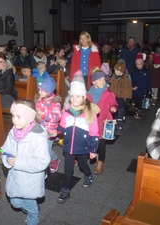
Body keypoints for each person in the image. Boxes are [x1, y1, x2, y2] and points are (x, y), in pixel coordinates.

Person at [0, 100, 50, 225]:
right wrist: (7, 158)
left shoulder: (37, 137)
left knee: (28, 203)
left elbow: (42, 162)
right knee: (15, 202)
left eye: (18, 117)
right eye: (13, 116)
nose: (14, 120)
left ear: (29, 118)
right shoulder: (14, 131)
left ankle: (33, 218)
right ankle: (32, 209)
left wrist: (18, 162)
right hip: (16, 177)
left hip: (30, 181)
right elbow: (5, 148)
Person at [56, 72, 99, 204]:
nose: (74, 98)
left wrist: (93, 149)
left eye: (78, 96)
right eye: (72, 95)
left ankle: (88, 175)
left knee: (82, 164)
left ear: (84, 97)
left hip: (83, 146)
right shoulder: (67, 111)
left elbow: (94, 132)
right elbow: (63, 126)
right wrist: (55, 132)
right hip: (69, 146)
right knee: (68, 169)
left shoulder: (89, 112)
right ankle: (65, 190)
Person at [86, 69, 117, 174]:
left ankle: (101, 163)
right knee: (93, 141)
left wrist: (113, 107)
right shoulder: (88, 94)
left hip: (104, 122)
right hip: (92, 123)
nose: (102, 82)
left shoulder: (108, 93)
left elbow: (114, 103)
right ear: (93, 82)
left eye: (103, 79)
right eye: (99, 80)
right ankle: (95, 155)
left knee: (102, 144)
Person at [35, 77, 62, 173]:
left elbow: (56, 117)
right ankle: (42, 162)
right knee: (39, 147)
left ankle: (54, 159)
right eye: (39, 90)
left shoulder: (56, 104)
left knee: (46, 149)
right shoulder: (40, 101)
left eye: (42, 91)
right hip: (40, 128)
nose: (39, 92)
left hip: (51, 130)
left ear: (49, 91)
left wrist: (43, 114)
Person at [109, 60, 132, 130]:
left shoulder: (126, 79)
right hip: (114, 96)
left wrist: (128, 98)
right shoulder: (113, 78)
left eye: (118, 71)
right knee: (113, 108)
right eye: (115, 70)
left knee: (121, 109)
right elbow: (110, 86)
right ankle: (114, 120)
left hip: (122, 97)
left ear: (122, 71)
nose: (116, 72)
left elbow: (129, 89)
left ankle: (120, 121)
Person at [131, 52, 152, 119]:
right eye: (137, 64)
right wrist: (133, 86)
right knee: (136, 100)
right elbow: (132, 80)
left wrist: (149, 89)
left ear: (143, 64)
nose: (139, 66)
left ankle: (138, 112)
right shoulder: (134, 72)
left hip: (142, 89)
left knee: (140, 101)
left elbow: (148, 81)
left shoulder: (146, 72)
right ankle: (136, 110)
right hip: (136, 90)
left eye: (140, 64)